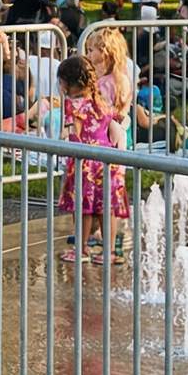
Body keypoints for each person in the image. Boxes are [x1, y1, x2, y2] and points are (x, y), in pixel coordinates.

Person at [54, 55, 127, 265]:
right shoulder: (100, 101)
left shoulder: (72, 106)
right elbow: (116, 121)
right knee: (107, 208)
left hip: (84, 163)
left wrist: (62, 141)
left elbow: (74, 133)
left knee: (82, 207)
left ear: (67, 83)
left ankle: (82, 248)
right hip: (107, 161)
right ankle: (110, 251)